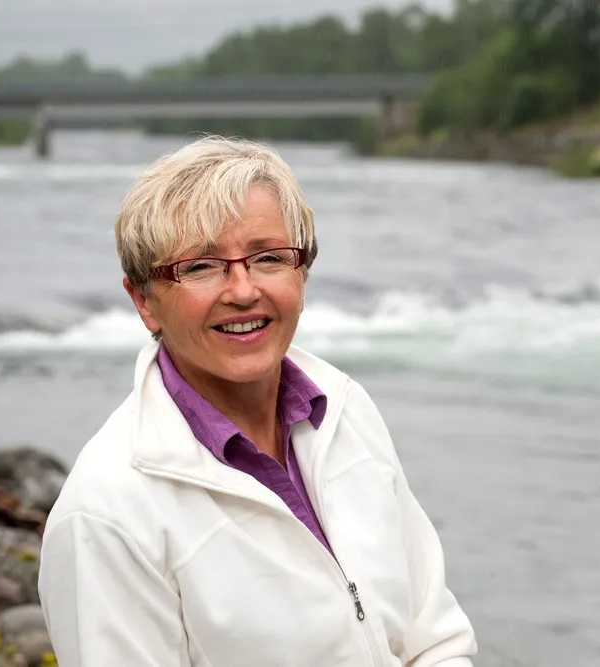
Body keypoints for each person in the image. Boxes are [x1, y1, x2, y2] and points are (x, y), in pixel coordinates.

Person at [37, 136, 478, 667]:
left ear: (302, 272)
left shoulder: (345, 410)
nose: (243, 291)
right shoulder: (105, 513)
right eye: (200, 266)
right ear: (144, 301)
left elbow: (433, 640)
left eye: (268, 258)